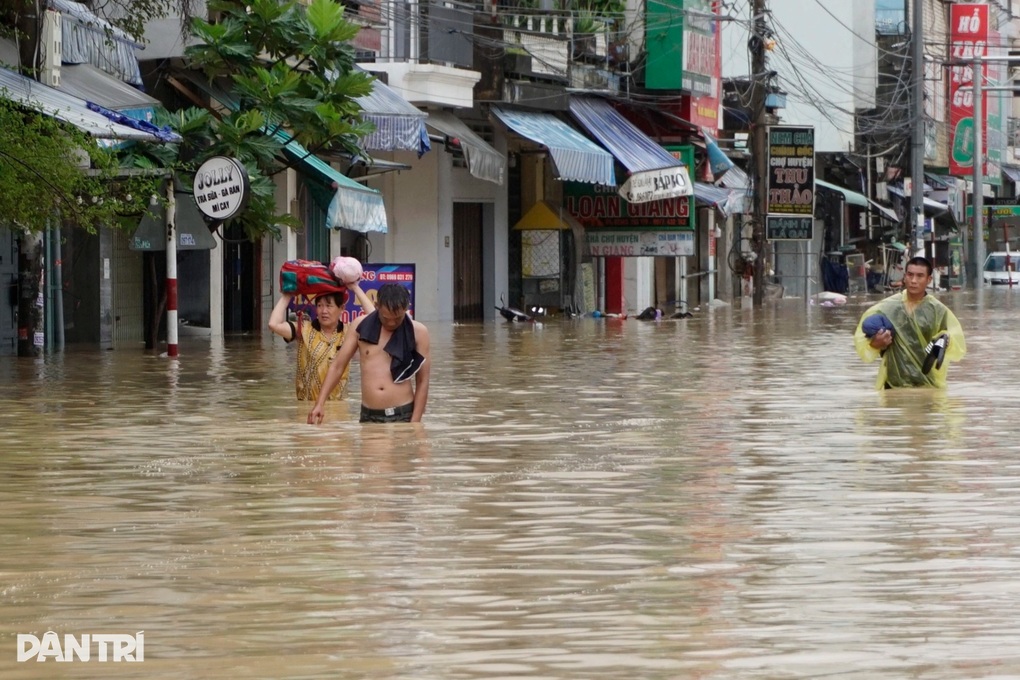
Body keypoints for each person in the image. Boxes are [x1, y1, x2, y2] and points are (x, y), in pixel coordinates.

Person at [308, 283, 430, 424]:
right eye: (386, 318)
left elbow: (423, 380)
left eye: (397, 319)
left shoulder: (418, 332)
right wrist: (319, 403)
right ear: (377, 306)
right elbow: (337, 366)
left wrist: (415, 423)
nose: (391, 323)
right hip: (369, 415)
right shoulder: (360, 326)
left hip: (403, 413)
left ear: (406, 309)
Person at [854, 256, 966, 390]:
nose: (913, 280)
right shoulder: (888, 307)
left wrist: (946, 340)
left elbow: (955, 344)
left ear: (929, 279)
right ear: (904, 276)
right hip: (893, 384)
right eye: (910, 274)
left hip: (926, 385)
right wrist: (875, 344)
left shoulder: (938, 311)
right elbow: (862, 342)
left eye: (920, 276)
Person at [268, 280, 374, 401]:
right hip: (306, 405)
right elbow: (273, 324)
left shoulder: (349, 332)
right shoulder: (303, 329)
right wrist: (287, 296)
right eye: (319, 306)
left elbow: (375, 320)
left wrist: (355, 288)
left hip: (338, 406)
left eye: (329, 306)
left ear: (342, 308)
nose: (324, 311)